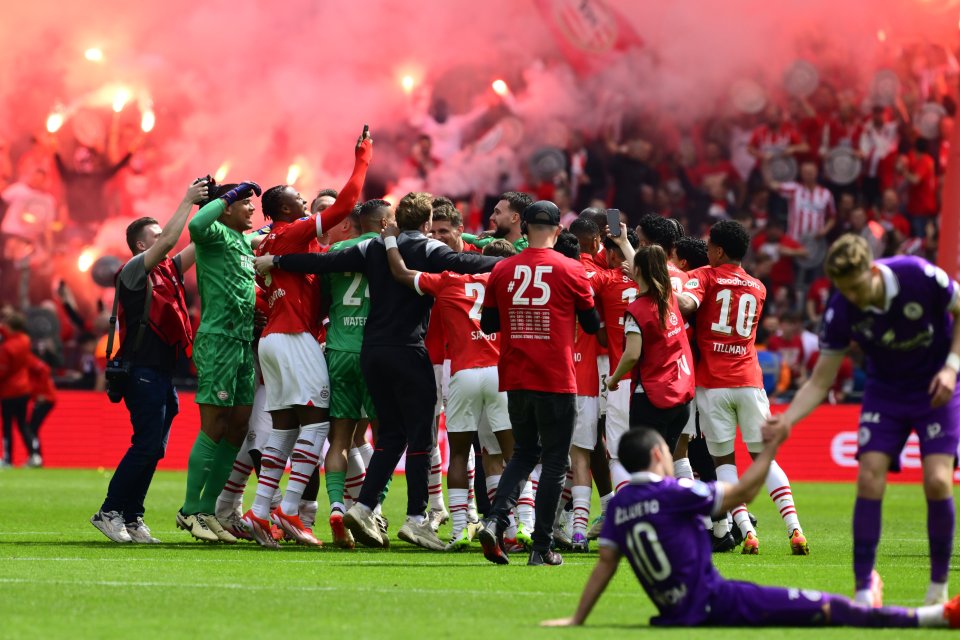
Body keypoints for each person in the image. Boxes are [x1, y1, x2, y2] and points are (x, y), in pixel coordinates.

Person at [255, 192, 500, 551]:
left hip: (372, 352)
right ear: (428, 222)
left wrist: (275, 259)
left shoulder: (371, 248)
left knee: (391, 436)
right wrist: (521, 261)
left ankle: (364, 505)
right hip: (407, 350)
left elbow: (321, 264)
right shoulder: (428, 249)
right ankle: (417, 519)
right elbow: (464, 261)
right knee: (421, 437)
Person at [540, 426, 960, 630]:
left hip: (673, 613)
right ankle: (931, 618)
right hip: (718, 601)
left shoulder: (618, 507)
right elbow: (743, 491)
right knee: (829, 608)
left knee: (824, 608)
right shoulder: (677, 492)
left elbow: (605, 567)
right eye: (668, 451)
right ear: (657, 455)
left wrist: (578, 618)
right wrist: (770, 451)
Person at [766, 234, 960, 606]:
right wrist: (786, 419)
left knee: (937, 480)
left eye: (856, 287)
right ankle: (862, 589)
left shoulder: (918, 275)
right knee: (869, 476)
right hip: (886, 390)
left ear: (872, 270)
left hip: (936, 385)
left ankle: (938, 590)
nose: (852, 297)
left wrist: (952, 368)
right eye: (844, 290)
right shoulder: (841, 307)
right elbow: (821, 379)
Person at [241, 128, 372, 548]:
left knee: (283, 429)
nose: (305, 203)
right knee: (317, 427)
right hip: (294, 338)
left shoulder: (284, 244)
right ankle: (291, 508)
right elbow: (349, 202)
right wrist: (362, 158)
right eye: (299, 199)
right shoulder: (293, 231)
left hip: (274, 342)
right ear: (284, 207)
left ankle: (260, 512)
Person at [476, 200, 601, 566]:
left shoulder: (503, 269)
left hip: (516, 375)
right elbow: (592, 324)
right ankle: (541, 547)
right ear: (559, 230)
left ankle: (496, 519)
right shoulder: (572, 269)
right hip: (556, 376)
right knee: (554, 461)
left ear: (525, 226)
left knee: (524, 453)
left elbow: (487, 325)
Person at [678, 220, 807, 555]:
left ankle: (747, 532)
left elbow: (688, 305)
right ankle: (795, 529)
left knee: (724, 463)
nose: (706, 253)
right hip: (749, 382)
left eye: (708, 248)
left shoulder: (703, 276)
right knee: (765, 459)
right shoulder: (758, 287)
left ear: (719, 250)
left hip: (713, 386)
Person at [383, 230, 518, 550]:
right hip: (500, 374)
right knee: (512, 454)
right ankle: (514, 529)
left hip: (463, 373)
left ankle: (459, 530)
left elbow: (400, 273)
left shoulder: (448, 280)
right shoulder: (509, 283)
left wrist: (390, 240)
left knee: (459, 453)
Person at [90, 180, 203, 543]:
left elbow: (199, 243)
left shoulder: (167, 270)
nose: (164, 238)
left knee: (155, 447)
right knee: (146, 445)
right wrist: (187, 199)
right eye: (156, 235)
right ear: (141, 245)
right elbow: (171, 241)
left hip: (162, 372)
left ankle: (132, 516)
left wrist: (215, 209)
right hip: (141, 370)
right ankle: (109, 511)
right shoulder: (134, 269)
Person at [177, 179, 262, 543]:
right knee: (214, 425)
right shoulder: (211, 236)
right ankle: (188, 510)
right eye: (245, 203)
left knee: (237, 427)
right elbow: (195, 225)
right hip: (219, 341)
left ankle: (209, 510)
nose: (251, 208)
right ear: (227, 207)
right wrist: (224, 194)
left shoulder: (244, 242)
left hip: (244, 342)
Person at [321, 198, 394, 547]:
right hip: (376, 353)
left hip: (338, 349)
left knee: (340, 439)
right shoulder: (388, 250)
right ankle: (372, 510)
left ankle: (337, 506)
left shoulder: (335, 252)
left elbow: (323, 300)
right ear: (382, 223)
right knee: (386, 437)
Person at [607, 244, 695, 452]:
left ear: (636, 270)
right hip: (681, 398)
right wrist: (622, 242)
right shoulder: (669, 298)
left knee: (644, 465)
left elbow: (632, 355)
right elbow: (648, 266)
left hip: (651, 399)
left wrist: (614, 379)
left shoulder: (637, 309)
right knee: (665, 463)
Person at [0, 312, 34, 468]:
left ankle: (7, 458)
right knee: (22, 424)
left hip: (8, 391)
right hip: (24, 388)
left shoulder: (7, 347)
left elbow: (3, 371)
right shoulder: (25, 341)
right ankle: (34, 455)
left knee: (7, 425)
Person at [461, 192, 532, 253]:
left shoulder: (530, 249)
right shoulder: (494, 242)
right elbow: (473, 239)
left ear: (514, 218)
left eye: (497, 212)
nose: (491, 217)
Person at [25, 352, 56, 466]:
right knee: (32, 428)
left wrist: (42, 392)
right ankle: (36, 456)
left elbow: (45, 369)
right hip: (42, 398)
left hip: (46, 398)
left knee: (32, 428)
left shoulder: (26, 357)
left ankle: (36, 456)